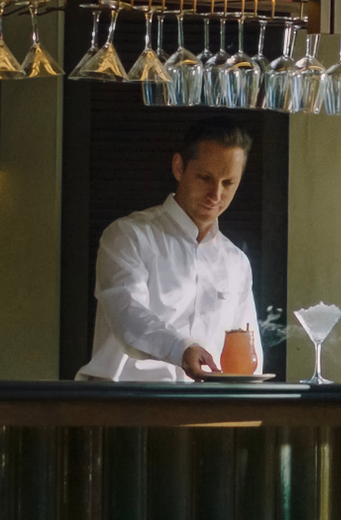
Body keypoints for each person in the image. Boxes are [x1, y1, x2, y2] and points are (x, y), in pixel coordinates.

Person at [78, 117, 260, 382]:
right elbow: (128, 315)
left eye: (228, 183)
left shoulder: (237, 262)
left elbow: (247, 349)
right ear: (178, 167)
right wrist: (181, 348)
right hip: (126, 404)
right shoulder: (128, 236)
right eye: (205, 178)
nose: (215, 194)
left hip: (207, 410)